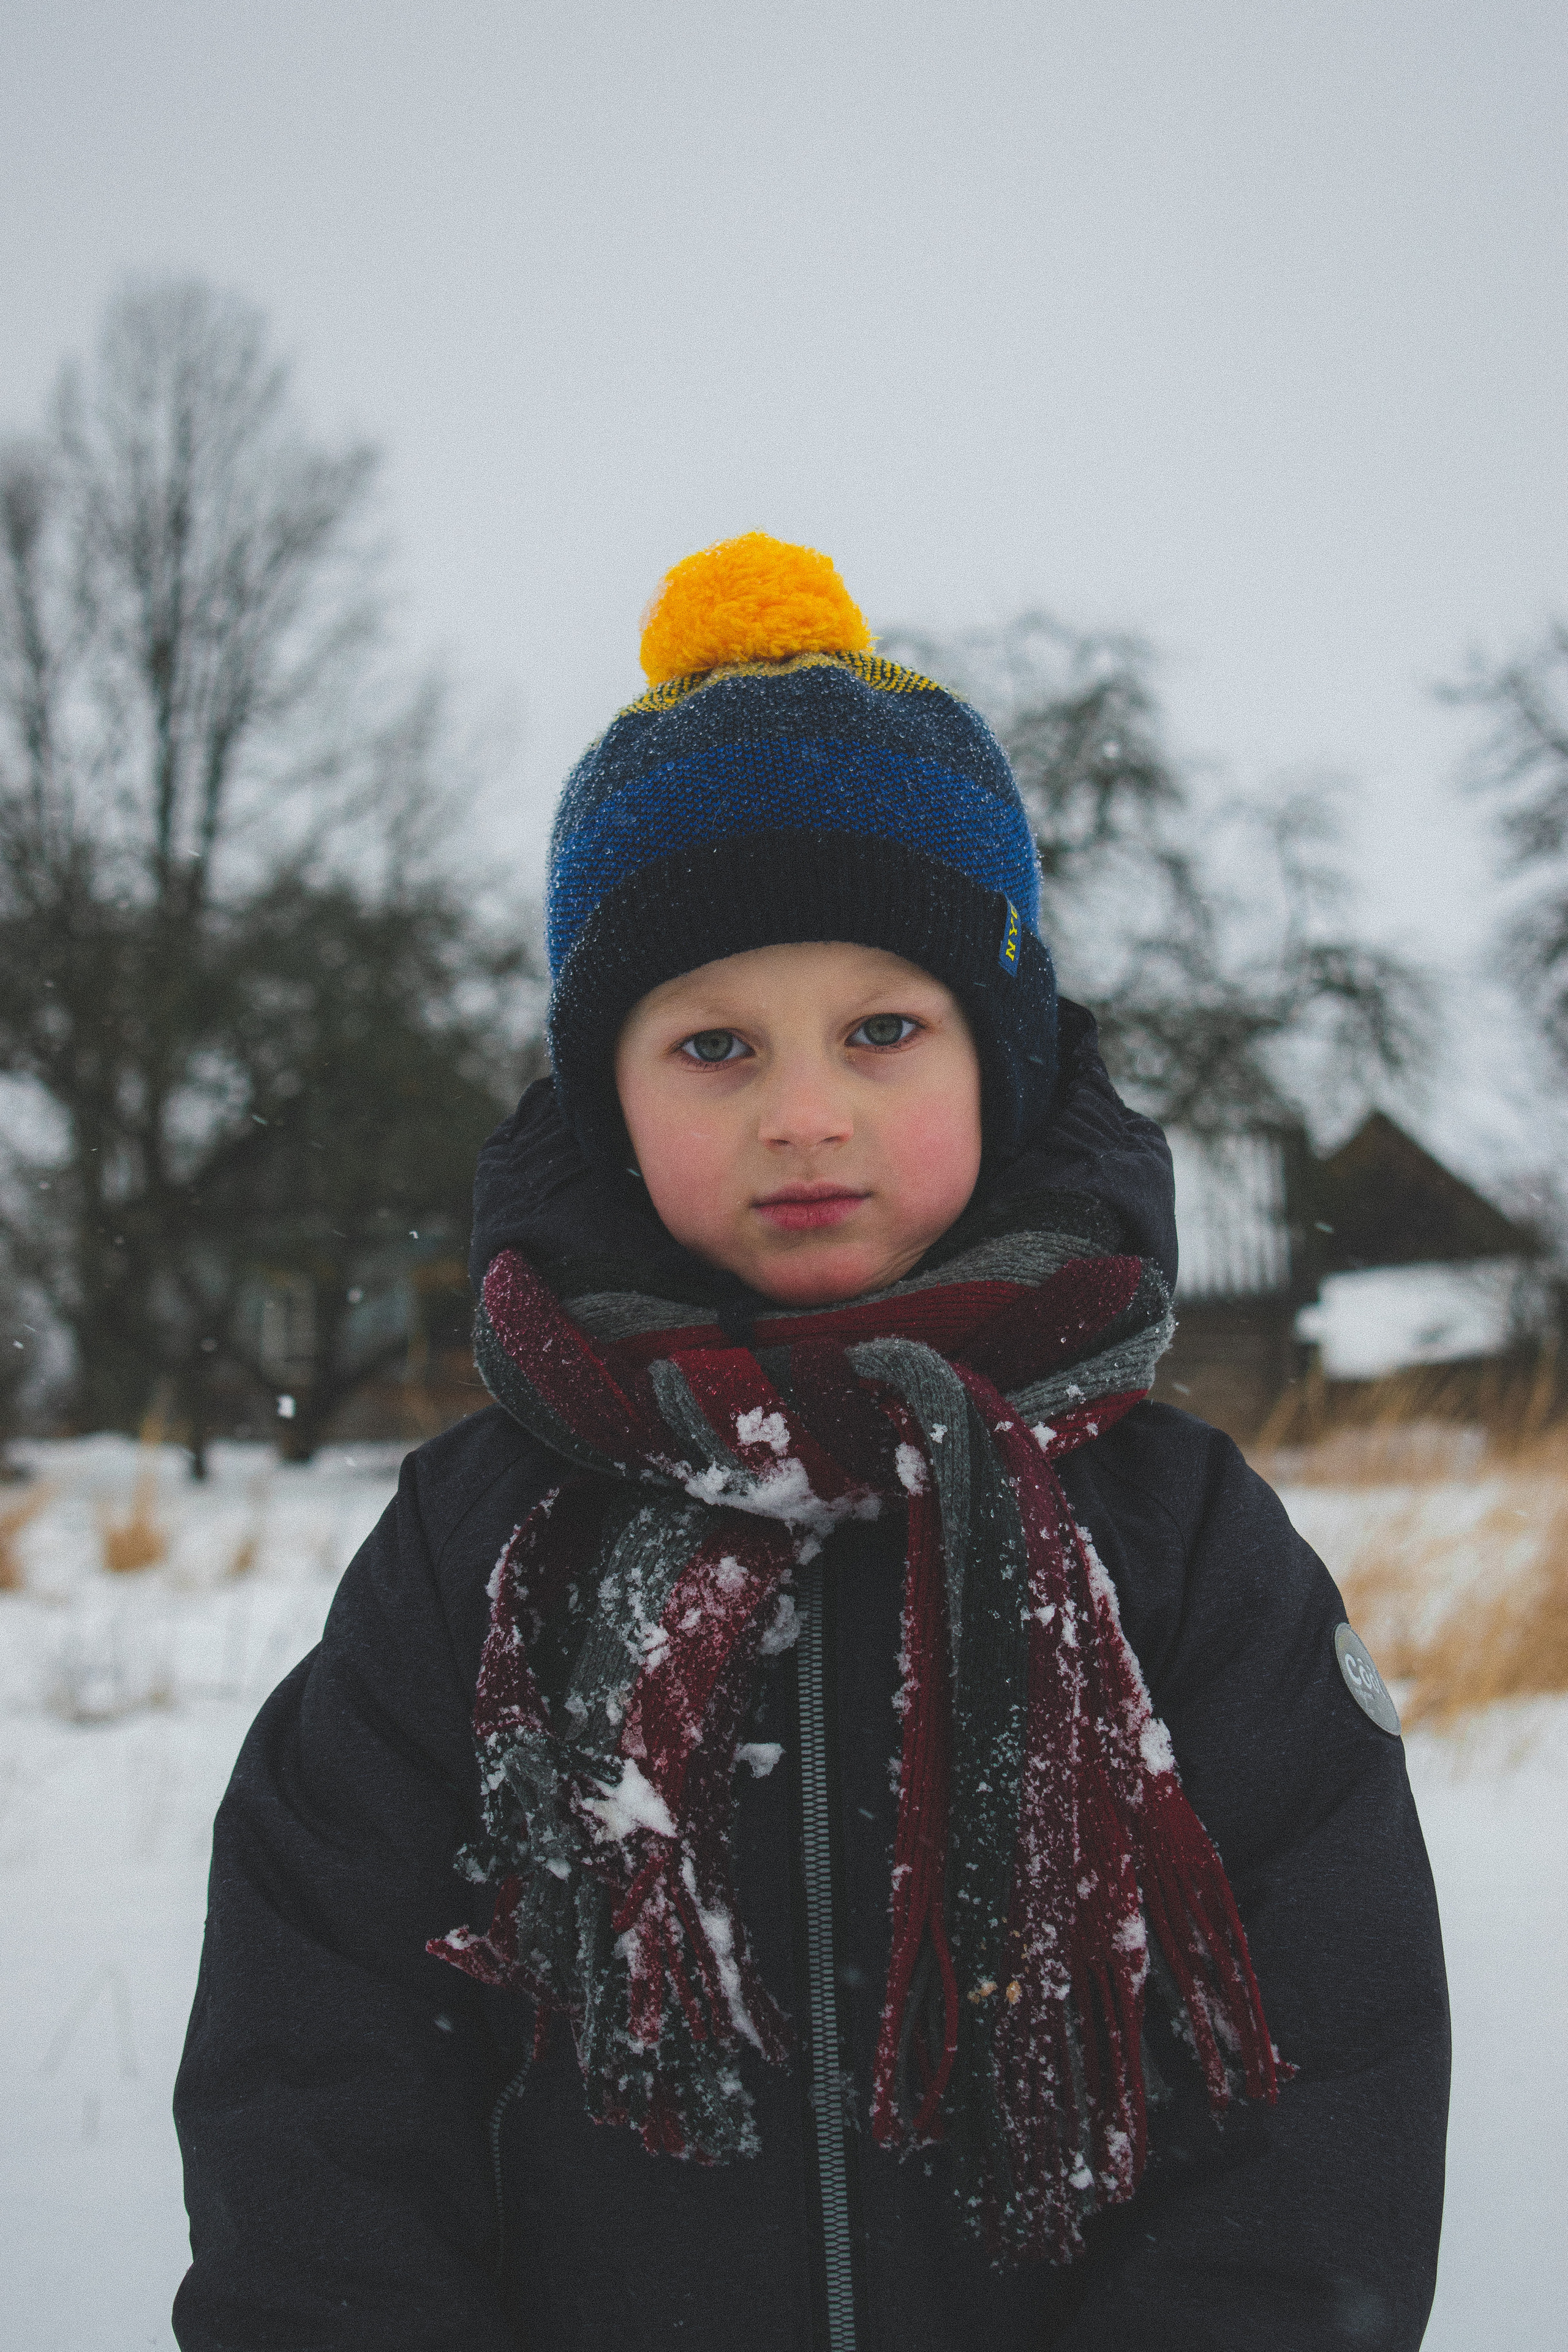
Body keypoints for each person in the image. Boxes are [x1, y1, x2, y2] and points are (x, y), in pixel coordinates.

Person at [173, 535, 1449, 2351]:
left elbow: (1319, 2078)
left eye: (882, 1029)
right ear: (607, 1098)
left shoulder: (1176, 1537)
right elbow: (321, 2075)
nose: (805, 1113)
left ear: (997, 1059)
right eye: (714, 1047)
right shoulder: (477, 1546)